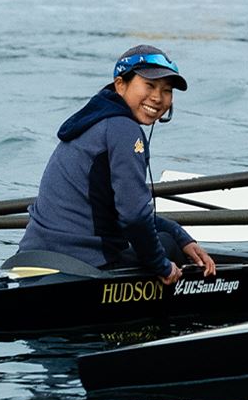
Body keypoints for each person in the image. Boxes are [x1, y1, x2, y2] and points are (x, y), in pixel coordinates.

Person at [15, 45, 217, 282]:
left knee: (168, 237)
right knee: (167, 246)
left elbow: (122, 212)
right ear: (120, 84)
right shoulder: (124, 129)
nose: (158, 98)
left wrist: (179, 233)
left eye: (167, 90)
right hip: (83, 263)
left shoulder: (91, 120)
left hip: (32, 255)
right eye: (149, 86)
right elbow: (134, 217)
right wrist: (162, 265)